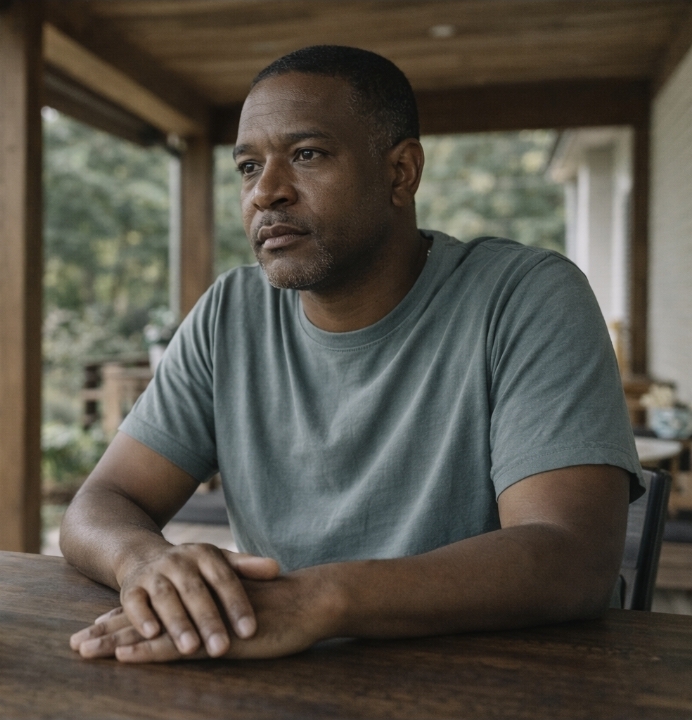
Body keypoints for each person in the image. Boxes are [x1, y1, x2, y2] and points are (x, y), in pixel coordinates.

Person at [60, 45, 642, 663]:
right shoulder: (230, 312)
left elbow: (571, 555)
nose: (267, 192)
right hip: (283, 672)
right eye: (249, 166)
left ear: (401, 173)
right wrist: (147, 562)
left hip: (500, 676)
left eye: (307, 155)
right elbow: (99, 503)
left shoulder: (524, 296)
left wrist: (320, 599)